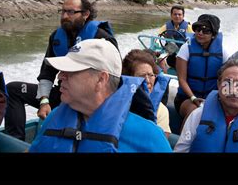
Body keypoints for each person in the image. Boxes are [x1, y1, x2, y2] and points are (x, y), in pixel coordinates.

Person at [4, 0, 117, 140]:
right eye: (62, 11)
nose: (64, 16)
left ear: (86, 14)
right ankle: (17, 142)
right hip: (64, 93)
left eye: (71, 12)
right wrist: (44, 100)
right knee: (13, 89)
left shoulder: (101, 38)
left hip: (90, 99)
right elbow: (47, 72)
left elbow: (112, 79)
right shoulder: (57, 37)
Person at [29, 39, 172, 153]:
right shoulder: (55, 118)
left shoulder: (148, 135)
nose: (60, 76)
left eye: (71, 71)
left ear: (101, 79)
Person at [175, 14, 228, 125]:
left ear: (213, 35)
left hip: (212, 99)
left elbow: (226, 80)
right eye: (198, 29)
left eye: (206, 31)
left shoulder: (222, 52)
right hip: (187, 98)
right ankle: (183, 140)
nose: (200, 33)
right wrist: (193, 98)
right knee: (194, 112)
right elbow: (182, 80)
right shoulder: (186, 48)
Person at [122, 49, 171, 137]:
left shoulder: (161, 110)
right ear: (129, 78)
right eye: (141, 76)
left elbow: (159, 145)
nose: (148, 81)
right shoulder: (115, 103)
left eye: (151, 75)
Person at [157, 5, 194, 69]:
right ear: (171, 15)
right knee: (160, 60)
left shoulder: (189, 28)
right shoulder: (166, 26)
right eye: (175, 14)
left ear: (183, 16)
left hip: (183, 51)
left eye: (179, 14)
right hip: (170, 50)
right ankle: (165, 75)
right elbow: (158, 38)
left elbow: (192, 42)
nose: (177, 16)